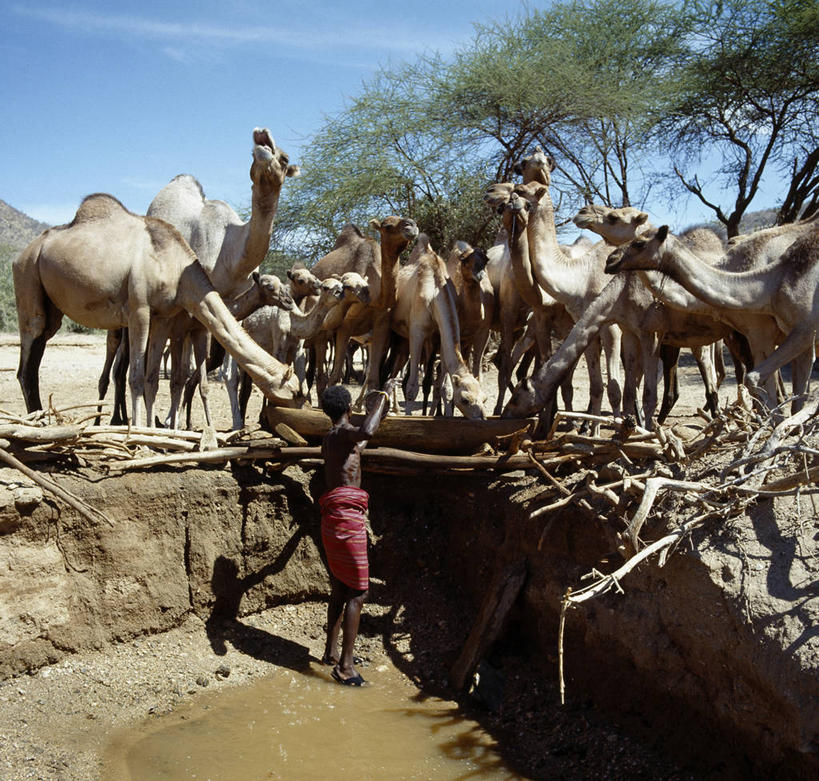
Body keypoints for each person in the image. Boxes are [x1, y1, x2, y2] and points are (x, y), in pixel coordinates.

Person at [318, 381, 394, 686]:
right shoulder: (343, 432)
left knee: (340, 588)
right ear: (350, 409)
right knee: (359, 592)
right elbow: (366, 433)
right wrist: (378, 403)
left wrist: (380, 415)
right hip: (347, 521)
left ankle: (331, 653)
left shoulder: (331, 439)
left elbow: (358, 446)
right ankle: (346, 668)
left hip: (334, 520)